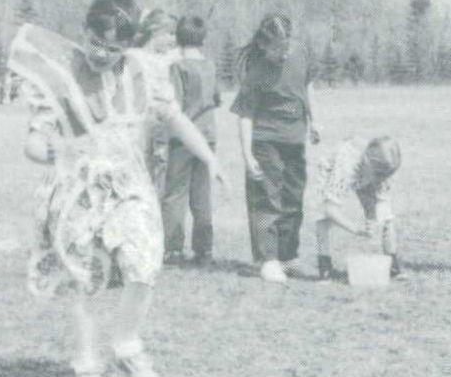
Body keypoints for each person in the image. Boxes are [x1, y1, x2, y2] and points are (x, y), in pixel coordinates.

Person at [13, 0, 229, 377]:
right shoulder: (62, 77)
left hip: (128, 186)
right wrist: (57, 151)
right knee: (85, 278)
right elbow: (33, 143)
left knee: (143, 262)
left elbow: (175, 118)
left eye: (114, 49)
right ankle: (86, 368)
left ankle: (126, 342)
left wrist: (210, 158)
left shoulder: (143, 74)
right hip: (78, 191)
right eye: (96, 43)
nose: (103, 55)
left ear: (128, 46)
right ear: (84, 32)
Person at [232, 15, 308, 282]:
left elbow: (306, 86)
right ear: (263, 45)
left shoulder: (300, 54)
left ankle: (288, 257)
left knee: (293, 200)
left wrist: (314, 120)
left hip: (295, 140)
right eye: (277, 48)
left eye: (286, 46)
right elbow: (245, 115)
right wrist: (247, 154)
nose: (284, 53)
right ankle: (268, 259)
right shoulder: (256, 72)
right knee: (267, 201)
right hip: (265, 142)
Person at [161, 17, 222, 266]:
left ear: (177, 38)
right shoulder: (210, 66)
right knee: (202, 195)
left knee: (175, 193)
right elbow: (216, 99)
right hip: (208, 136)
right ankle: (204, 250)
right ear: (203, 39)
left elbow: (173, 104)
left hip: (182, 138)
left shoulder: (177, 67)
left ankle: (173, 249)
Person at [311, 136, 402, 281]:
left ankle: (393, 265)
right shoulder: (346, 167)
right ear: (367, 162)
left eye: (385, 176)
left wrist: (372, 220)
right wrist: (356, 229)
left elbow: (381, 204)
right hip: (330, 168)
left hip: (365, 169)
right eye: (379, 176)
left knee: (386, 214)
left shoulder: (381, 169)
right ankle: (325, 266)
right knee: (322, 218)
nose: (381, 180)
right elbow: (329, 208)